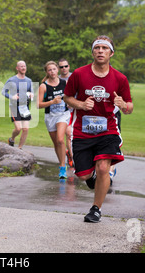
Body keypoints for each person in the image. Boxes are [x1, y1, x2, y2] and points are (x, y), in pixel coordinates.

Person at [63, 35, 133, 223]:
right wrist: (80, 104)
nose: (100, 51)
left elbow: (129, 107)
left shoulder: (120, 78)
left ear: (111, 53)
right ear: (92, 52)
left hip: (108, 130)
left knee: (103, 167)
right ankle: (92, 174)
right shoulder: (79, 74)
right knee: (84, 175)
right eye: (97, 48)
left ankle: (96, 209)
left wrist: (123, 105)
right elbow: (67, 97)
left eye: (104, 48)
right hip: (82, 131)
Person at [37, 61, 71, 179]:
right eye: (49, 70)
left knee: (61, 139)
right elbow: (38, 105)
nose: (52, 72)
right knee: (56, 143)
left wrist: (70, 103)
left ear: (58, 70)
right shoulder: (43, 86)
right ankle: (61, 162)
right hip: (50, 116)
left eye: (54, 69)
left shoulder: (64, 83)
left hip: (63, 114)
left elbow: (69, 97)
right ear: (47, 72)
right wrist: (52, 102)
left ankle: (62, 167)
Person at [2, 61, 33, 149]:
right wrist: (12, 97)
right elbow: (3, 92)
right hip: (14, 106)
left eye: (24, 66)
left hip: (25, 107)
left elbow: (32, 92)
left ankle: (19, 148)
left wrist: (31, 95)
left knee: (26, 129)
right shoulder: (12, 80)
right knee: (18, 128)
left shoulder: (28, 80)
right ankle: (12, 139)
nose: (23, 68)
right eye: (21, 66)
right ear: (17, 68)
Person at [58, 58, 73, 167]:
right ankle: (70, 155)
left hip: (74, 109)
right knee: (61, 137)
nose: (64, 68)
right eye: (61, 67)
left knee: (69, 134)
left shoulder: (74, 77)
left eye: (65, 66)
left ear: (69, 66)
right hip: (60, 112)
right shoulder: (56, 79)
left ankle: (72, 156)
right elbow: (44, 83)